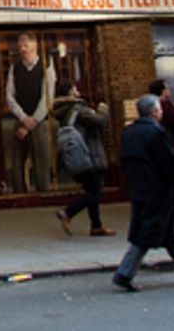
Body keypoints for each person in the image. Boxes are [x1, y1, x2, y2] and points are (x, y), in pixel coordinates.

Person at [110, 94, 174, 292]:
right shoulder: (156, 134)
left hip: (139, 190)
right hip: (158, 192)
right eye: (160, 109)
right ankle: (124, 272)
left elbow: (125, 164)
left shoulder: (129, 133)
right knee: (146, 234)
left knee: (169, 234)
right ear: (154, 112)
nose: (162, 112)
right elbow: (171, 167)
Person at [51, 79, 114, 237]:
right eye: (75, 89)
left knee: (92, 190)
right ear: (71, 92)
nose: (78, 91)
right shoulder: (78, 108)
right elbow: (99, 121)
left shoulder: (63, 111)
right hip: (88, 155)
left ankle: (96, 225)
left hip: (76, 157)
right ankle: (68, 213)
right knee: (94, 191)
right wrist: (103, 109)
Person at [5, 32, 56, 192]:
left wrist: (31, 122)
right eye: (20, 45)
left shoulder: (46, 67)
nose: (22, 49)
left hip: (39, 123)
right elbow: (9, 97)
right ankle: (19, 195)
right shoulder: (15, 68)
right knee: (17, 161)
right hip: (20, 121)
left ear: (35, 46)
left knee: (42, 161)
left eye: (26, 45)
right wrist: (22, 118)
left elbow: (47, 99)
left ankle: (43, 193)